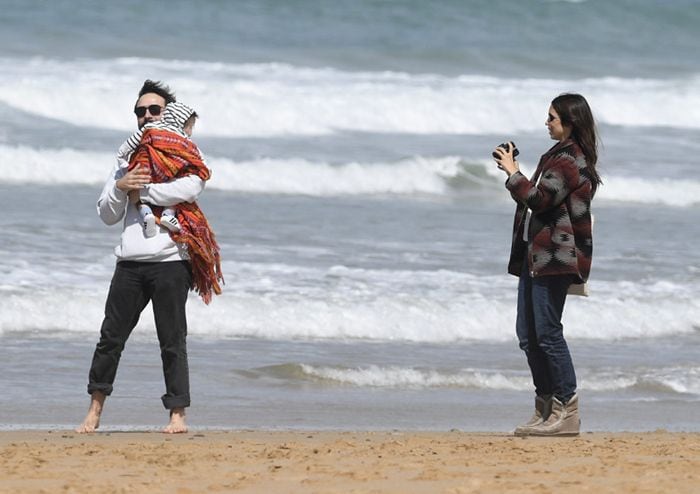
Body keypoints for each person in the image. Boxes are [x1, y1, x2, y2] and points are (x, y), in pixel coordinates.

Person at [76, 80, 209, 434]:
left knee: (172, 339)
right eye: (140, 111)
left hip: (170, 261)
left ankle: (177, 415)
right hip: (130, 264)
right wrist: (123, 187)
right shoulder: (125, 160)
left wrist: (145, 190)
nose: (146, 116)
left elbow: (192, 187)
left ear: (169, 114)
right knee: (110, 338)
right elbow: (106, 214)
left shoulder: (183, 153)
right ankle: (94, 410)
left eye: (154, 110)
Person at [493, 93, 602, 437]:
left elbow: (540, 200)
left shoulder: (569, 160)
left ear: (569, 122)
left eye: (552, 117)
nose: (546, 122)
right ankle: (545, 408)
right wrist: (515, 174)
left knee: (548, 333)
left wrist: (513, 173)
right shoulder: (557, 155)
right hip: (535, 253)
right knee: (528, 335)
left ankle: (566, 409)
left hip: (556, 254)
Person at [117, 101, 200, 237]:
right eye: (190, 127)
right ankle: (168, 214)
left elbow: (129, 145)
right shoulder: (182, 138)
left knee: (137, 200)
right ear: (181, 123)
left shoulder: (150, 128)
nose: (190, 131)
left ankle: (147, 215)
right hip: (168, 172)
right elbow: (192, 156)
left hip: (146, 170)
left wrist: (123, 163)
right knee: (175, 193)